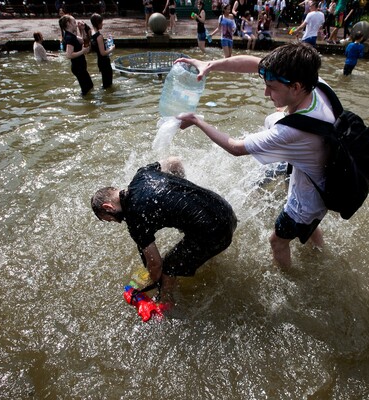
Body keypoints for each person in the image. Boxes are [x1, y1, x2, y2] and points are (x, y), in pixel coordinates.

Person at [175, 43, 334, 269]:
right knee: (310, 224)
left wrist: (196, 121)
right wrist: (210, 65)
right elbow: (253, 63)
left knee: (277, 241)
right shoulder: (316, 83)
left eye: (272, 87)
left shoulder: (292, 132)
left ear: (296, 87)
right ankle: (320, 251)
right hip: (321, 170)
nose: (266, 93)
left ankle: (291, 278)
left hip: (309, 197)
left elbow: (236, 148)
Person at [91, 157, 237, 296]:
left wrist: (151, 283)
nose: (116, 222)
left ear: (108, 207)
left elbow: (156, 265)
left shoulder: (135, 220)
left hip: (217, 233)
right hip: (225, 210)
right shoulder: (143, 173)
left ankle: (166, 300)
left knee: (169, 266)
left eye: (110, 219)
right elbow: (175, 162)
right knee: (193, 235)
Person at [59, 14, 93, 96]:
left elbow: (84, 41)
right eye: (74, 22)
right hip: (78, 67)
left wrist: (82, 29)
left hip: (80, 66)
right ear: (68, 24)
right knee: (85, 90)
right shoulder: (69, 37)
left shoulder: (72, 35)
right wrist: (82, 51)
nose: (76, 24)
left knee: (90, 86)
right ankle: (85, 106)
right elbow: (69, 55)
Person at [90, 13, 115, 90]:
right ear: (98, 23)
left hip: (99, 61)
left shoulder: (92, 34)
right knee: (108, 84)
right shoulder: (99, 36)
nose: (102, 24)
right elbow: (103, 53)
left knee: (105, 81)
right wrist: (111, 49)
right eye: (101, 22)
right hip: (104, 61)